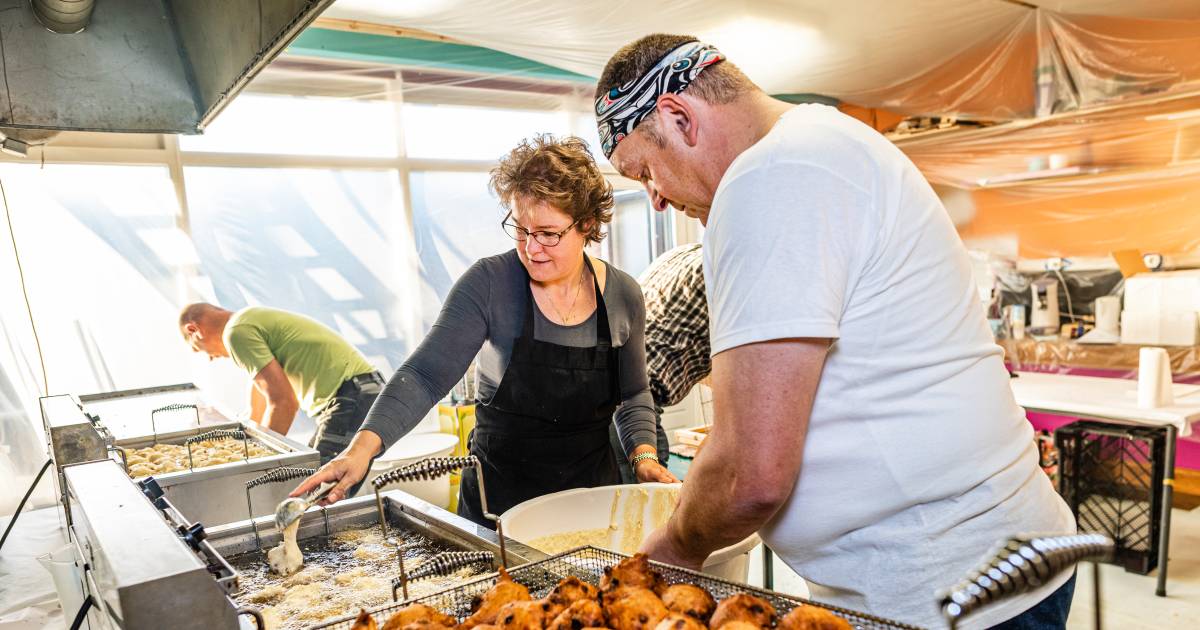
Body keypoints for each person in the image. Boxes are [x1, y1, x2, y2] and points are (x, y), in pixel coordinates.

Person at [594, 35, 1076, 628]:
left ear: (679, 118)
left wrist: (674, 548)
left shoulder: (771, 177)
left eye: (645, 171)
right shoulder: (824, 142)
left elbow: (752, 473)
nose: (656, 199)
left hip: (944, 584)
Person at [292, 135, 678, 528]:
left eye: (548, 233)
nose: (531, 248)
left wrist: (644, 456)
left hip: (590, 504)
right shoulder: (491, 283)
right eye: (521, 229)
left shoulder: (622, 295)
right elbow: (424, 376)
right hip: (499, 507)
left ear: (587, 225)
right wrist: (360, 450)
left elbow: (633, 393)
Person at [178, 304, 384, 467]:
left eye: (198, 349)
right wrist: (243, 443)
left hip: (351, 396)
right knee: (308, 476)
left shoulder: (236, 333)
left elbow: (283, 403)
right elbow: (259, 401)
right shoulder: (246, 321)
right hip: (359, 391)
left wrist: (260, 459)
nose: (210, 358)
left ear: (193, 329)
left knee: (314, 486)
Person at [611, 242, 708, 482]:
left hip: (617, 393)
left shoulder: (684, 253)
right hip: (630, 408)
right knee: (648, 491)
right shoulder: (723, 269)